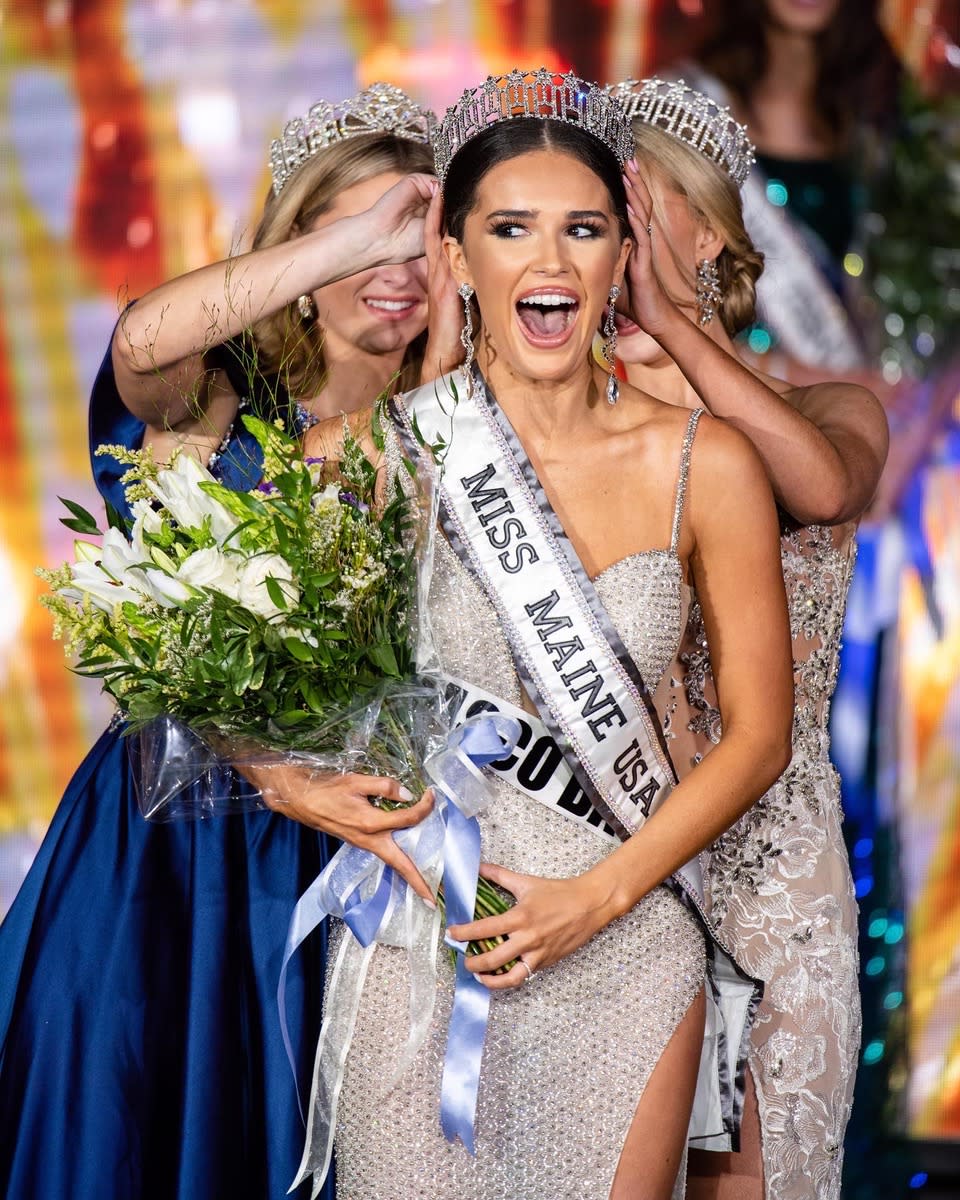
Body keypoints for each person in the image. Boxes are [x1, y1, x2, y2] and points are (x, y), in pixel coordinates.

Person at [297, 69, 795, 1200]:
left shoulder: (704, 462)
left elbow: (758, 736)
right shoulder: (379, 455)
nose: (551, 262)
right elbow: (247, 688)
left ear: (625, 255)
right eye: (510, 229)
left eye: (584, 229)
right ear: (457, 262)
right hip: (425, 934)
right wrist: (291, 786)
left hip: (623, 933)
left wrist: (599, 897)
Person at [0, 83, 448, 1200]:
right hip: (167, 847)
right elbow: (145, 337)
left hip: (357, 857)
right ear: (298, 248)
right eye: (362, 234)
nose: (395, 263)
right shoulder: (219, 396)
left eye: (421, 238)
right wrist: (354, 239)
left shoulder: (461, 423)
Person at [608, 76, 888, 1200]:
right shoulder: (592, 432)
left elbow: (819, 489)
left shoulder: (835, 407)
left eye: (629, 201)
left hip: (776, 896)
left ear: (712, 235)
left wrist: (674, 326)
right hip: (628, 880)